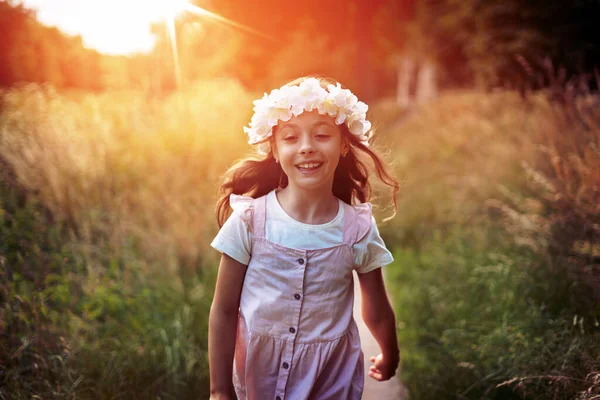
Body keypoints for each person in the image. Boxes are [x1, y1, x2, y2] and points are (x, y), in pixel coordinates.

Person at [208, 76, 401, 400]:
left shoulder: (357, 228)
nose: (307, 146)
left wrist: (390, 354)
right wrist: (219, 390)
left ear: (343, 144)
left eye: (322, 134)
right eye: (291, 137)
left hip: (330, 378)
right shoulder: (250, 220)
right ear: (274, 148)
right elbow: (224, 309)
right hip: (259, 377)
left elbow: (378, 310)